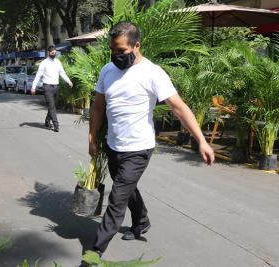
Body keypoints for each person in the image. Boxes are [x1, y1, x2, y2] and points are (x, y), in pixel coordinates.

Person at [87, 21, 215, 257]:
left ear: (137, 46)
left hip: (139, 148)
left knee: (117, 200)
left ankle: (94, 254)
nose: (116, 55)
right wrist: (92, 138)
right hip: (114, 144)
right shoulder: (107, 70)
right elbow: (97, 108)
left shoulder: (153, 73)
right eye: (113, 50)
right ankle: (141, 221)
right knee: (126, 187)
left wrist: (202, 140)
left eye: (121, 51)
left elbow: (179, 108)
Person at [31, 45, 73, 132]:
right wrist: (33, 87)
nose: (54, 54)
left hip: (56, 87)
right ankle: (56, 125)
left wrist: (68, 81)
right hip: (47, 87)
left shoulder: (58, 62)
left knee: (54, 106)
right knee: (52, 106)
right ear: (49, 53)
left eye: (55, 53)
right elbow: (38, 76)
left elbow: (62, 73)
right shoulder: (44, 63)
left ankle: (47, 120)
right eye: (52, 53)